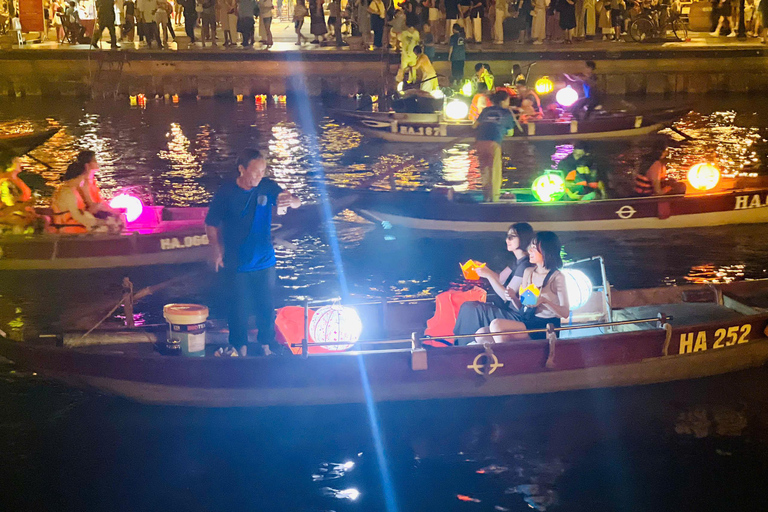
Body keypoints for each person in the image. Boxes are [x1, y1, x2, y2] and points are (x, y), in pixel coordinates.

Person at [205, 149, 302, 357]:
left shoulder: (267, 187)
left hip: (265, 260)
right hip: (237, 262)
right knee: (238, 309)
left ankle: (267, 346)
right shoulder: (226, 192)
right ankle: (240, 349)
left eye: (262, 171)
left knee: (266, 307)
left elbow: (295, 201)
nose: (259, 176)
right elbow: (210, 224)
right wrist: (216, 250)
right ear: (241, 169)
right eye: (255, 172)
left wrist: (290, 200)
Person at [479, 231, 570, 343]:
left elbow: (565, 313)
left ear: (546, 250)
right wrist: (513, 297)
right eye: (530, 247)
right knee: (481, 334)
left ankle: (507, 359)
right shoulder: (528, 272)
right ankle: (501, 357)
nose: (529, 251)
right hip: (527, 320)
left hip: (544, 326)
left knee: (497, 325)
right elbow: (523, 307)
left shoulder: (557, 277)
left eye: (534, 248)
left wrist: (544, 301)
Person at [453, 222, 535, 344]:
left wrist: (488, 275)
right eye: (507, 236)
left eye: (512, 237)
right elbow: (500, 279)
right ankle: (463, 345)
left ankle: (463, 348)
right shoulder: (516, 262)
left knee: (471, 308)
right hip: (507, 310)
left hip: (516, 316)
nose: (508, 240)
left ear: (523, 238)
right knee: (469, 307)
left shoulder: (525, 265)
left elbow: (506, 296)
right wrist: (483, 269)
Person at [51, 162, 122, 234]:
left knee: (109, 224)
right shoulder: (67, 193)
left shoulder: (65, 189)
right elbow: (77, 217)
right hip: (71, 227)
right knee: (110, 228)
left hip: (71, 224)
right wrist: (98, 222)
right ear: (79, 176)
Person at [474, 89, 517, 202]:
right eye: (508, 101)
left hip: (480, 141)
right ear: (503, 101)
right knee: (495, 172)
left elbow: (475, 126)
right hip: (494, 142)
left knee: (485, 170)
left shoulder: (486, 110)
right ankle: (494, 199)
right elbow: (511, 132)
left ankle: (486, 197)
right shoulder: (507, 113)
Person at [0, 157, 39, 234]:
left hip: (22, 217)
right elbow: (10, 205)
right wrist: (26, 204)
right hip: (13, 222)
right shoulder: (6, 181)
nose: (20, 164)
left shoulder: (17, 180)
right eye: (17, 161)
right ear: (10, 164)